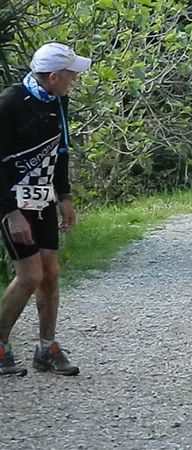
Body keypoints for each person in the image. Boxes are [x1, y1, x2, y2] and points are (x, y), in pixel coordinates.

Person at [0, 43, 91, 376]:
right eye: (71, 75)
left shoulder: (58, 100)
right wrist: (11, 212)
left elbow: (61, 150)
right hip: (10, 200)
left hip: (43, 198)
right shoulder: (8, 104)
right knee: (30, 275)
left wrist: (64, 195)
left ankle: (46, 348)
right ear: (53, 76)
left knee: (50, 273)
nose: (75, 81)